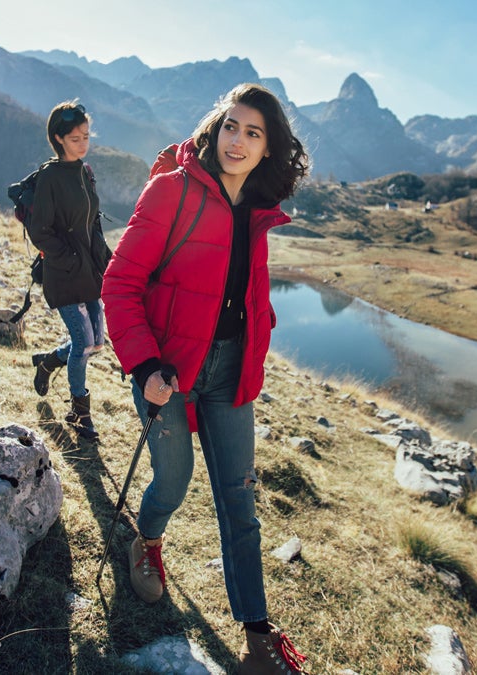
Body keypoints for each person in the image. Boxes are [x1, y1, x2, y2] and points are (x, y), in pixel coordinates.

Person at [102, 83, 311, 674]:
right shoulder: (171, 192)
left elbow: (248, 298)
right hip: (166, 371)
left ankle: (257, 634)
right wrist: (143, 365)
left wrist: (256, 346)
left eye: (253, 132)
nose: (237, 140)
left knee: (240, 503)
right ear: (214, 128)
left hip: (229, 375)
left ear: (269, 147)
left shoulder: (259, 211)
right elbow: (119, 285)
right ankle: (146, 541)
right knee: (172, 483)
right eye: (230, 126)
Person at [24, 101, 110, 440]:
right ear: (59, 138)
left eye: (86, 136)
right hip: (63, 274)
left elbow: (94, 221)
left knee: (97, 343)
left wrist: (104, 258)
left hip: (90, 271)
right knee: (84, 341)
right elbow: (40, 229)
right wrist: (71, 260)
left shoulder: (85, 172)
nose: (83, 143)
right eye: (75, 138)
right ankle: (79, 411)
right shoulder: (50, 177)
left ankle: (48, 361)